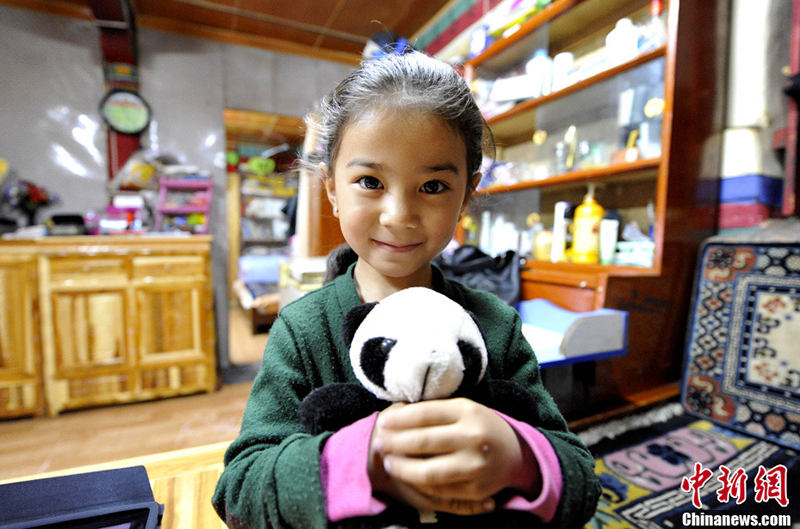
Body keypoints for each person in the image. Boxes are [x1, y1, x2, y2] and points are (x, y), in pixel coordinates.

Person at [213, 50, 601, 529]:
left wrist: (520, 458)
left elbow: (580, 479)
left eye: (433, 186)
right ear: (332, 187)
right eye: (370, 181)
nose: (398, 215)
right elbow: (239, 491)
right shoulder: (302, 330)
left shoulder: (495, 326)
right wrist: (365, 462)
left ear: (467, 195)